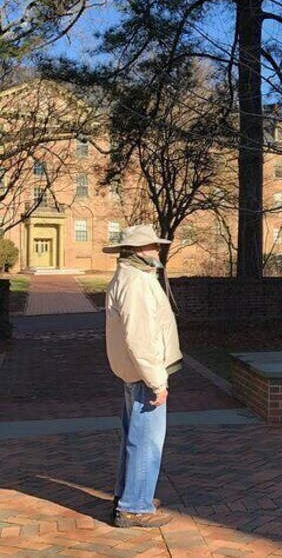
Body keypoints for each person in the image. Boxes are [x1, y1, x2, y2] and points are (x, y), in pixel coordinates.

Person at [103, 225, 182, 528]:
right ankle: (135, 506)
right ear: (138, 251)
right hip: (143, 374)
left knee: (134, 436)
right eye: (152, 246)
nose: (157, 251)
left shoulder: (130, 277)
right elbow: (140, 337)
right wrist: (157, 381)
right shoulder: (136, 282)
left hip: (135, 372)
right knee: (146, 440)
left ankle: (131, 495)